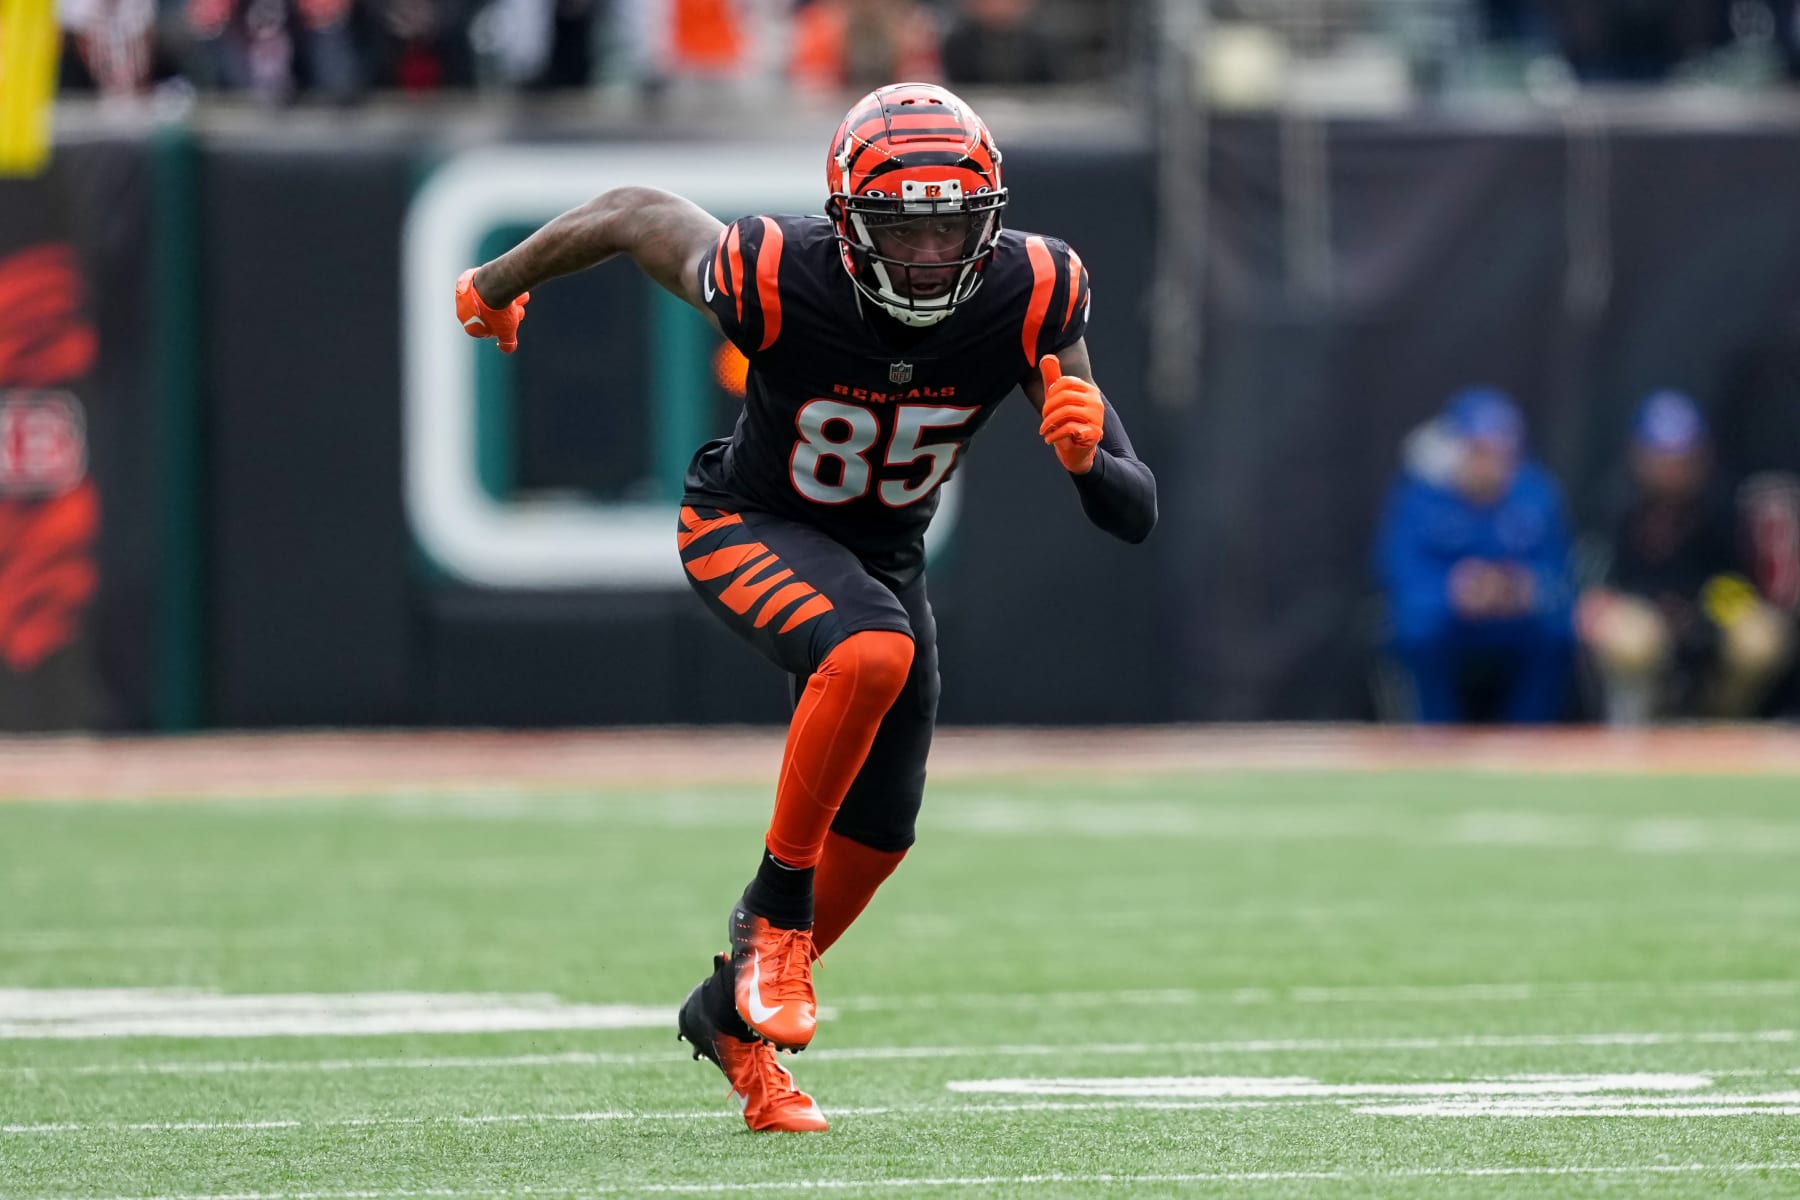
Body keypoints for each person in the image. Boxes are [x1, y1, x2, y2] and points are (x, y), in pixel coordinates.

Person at [453, 82, 1157, 1132]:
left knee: (880, 831)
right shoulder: (775, 272)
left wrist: (1089, 458)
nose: (930, 254)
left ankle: (729, 1018)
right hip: (748, 522)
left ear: (990, 220)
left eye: (952, 225)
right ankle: (771, 920)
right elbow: (634, 212)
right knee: (872, 652)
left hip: (883, 556)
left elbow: (1133, 513)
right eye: (902, 227)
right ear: (848, 223)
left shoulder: (1036, 290)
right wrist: (496, 284)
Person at [1577, 391, 1793, 723]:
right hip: (1644, 614)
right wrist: (1652, 607)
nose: (1672, 468)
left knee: (1760, 637)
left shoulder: (1722, 502)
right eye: (1661, 456)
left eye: (1683, 456)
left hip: (1709, 613)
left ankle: (1723, 722)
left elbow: (1740, 582)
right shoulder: (1615, 503)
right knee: (1630, 639)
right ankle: (1637, 726)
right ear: (1638, 454)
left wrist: (1702, 610)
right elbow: (1598, 586)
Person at [1374, 387, 1575, 724]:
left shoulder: (1536, 493)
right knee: (1416, 629)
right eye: (1480, 451)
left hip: (1515, 618)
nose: (1491, 464)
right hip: (1448, 614)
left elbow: (1559, 574)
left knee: (1558, 630)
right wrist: (1455, 589)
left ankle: (1529, 735)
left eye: (1502, 452)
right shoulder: (1421, 495)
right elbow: (1397, 573)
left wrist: (1521, 588)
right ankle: (1434, 733)